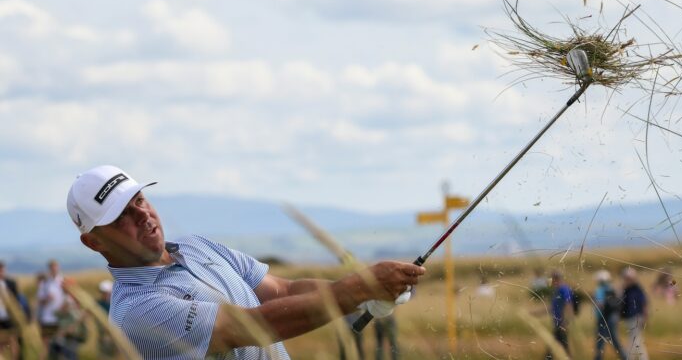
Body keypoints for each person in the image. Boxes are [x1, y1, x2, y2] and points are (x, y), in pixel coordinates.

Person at [66, 165, 425, 359]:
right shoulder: (136, 312)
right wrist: (355, 290)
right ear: (93, 241)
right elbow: (250, 326)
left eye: (140, 200)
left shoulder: (196, 247)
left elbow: (282, 290)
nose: (142, 215)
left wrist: (364, 292)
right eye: (121, 217)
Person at [592, 270, 625, 360]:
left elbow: (600, 304)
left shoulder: (600, 289)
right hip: (610, 318)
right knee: (611, 340)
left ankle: (625, 357)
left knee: (603, 341)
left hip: (604, 319)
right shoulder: (612, 288)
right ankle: (624, 357)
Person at [620, 267, 649, 360]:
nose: (625, 280)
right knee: (637, 340)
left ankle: (630, 358)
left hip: (636, 317)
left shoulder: (637, 289)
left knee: (634, 339)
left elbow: (644, 304)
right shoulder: (626, 290)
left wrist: (645, 317)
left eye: (627, 278)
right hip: (629, 317)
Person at [545, 269, 573, 359]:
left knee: (556, 347)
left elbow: (568, 304)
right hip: (558, 323)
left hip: (561, 324)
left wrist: (566, 321)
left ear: (556, 279)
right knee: (559, 347)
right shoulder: (557, 290)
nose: (550, 281)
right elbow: (552, 307)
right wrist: (535, 313)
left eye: (551, 279)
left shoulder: (563, 289)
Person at [37, 260, 66, 343]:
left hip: (59, 317)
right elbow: (40, 300)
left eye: (55, 268)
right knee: (45, 341)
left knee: (59, 341)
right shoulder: (45, 282)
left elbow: (68, 298)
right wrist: (47, 298)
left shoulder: (63, 281)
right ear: (49, 269)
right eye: (52, 268)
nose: (54, 270)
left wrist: (64, 306)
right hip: (47, 317)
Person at [0, 260, 22, 358]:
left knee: (13, 340)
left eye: (2, 270)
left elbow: (17, 300)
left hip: (10, 317)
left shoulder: (11, 283)